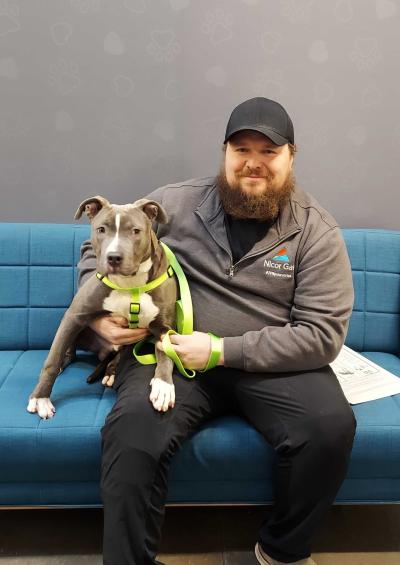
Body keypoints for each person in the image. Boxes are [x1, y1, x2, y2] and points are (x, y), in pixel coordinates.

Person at [78, 97, 357, 565]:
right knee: (132, 434)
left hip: (270, 365)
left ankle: (280, 551)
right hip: (172, 355)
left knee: (330, 428)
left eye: (268, 151)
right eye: (240, 148)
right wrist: (97, 312)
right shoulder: (173, 203)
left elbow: (323, 333)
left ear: (291, 156)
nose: (253, 162)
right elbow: (100, 247)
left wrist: (222, 349)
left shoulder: (316, 230)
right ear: (224, 153)